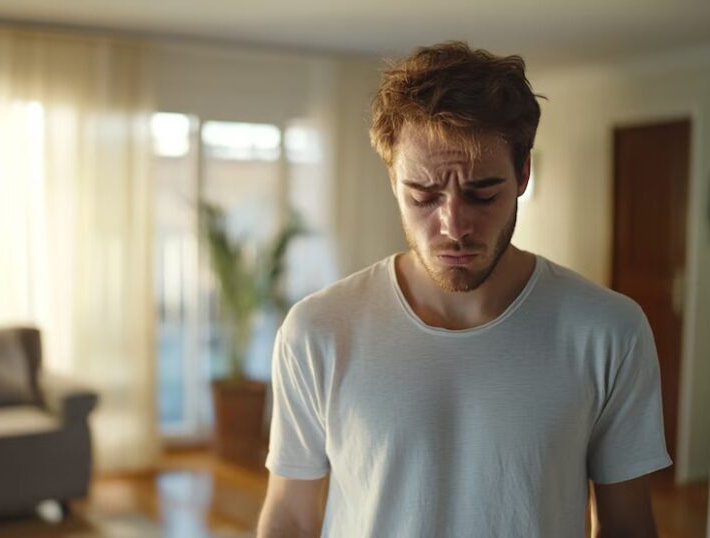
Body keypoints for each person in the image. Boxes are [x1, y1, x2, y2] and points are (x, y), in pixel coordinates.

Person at [256, 41, 671, 537]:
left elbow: (627, 526)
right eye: (423, 195)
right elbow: (290, 516)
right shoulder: (319, 330)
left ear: (523, 173)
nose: (454, 227)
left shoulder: (609, 331)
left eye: (482, 194)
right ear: (392, 179)